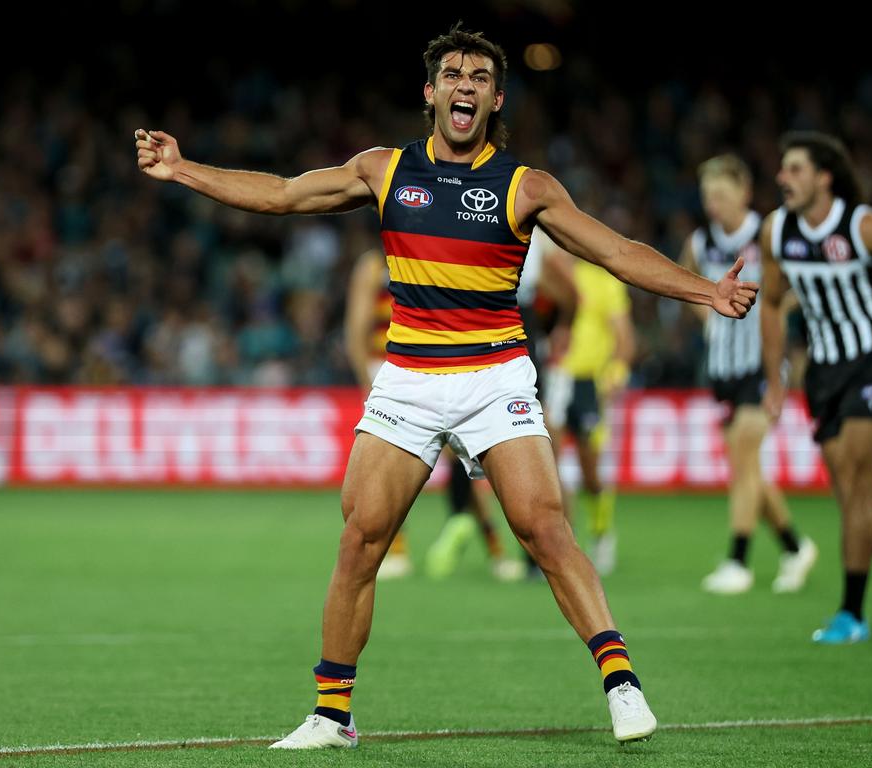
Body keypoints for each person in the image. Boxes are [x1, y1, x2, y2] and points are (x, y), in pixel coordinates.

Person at [135, 25, 757, 747]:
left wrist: (705, 292)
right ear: (430, 92)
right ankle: (332, 715)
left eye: (481, 77)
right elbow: (280, 194)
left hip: (494, 377)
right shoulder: (384, 170)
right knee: (360, 540)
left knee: (544, 528)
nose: (466, 85)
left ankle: (621, 684)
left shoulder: (527, 187)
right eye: (453, 74)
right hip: (408, 380)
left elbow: (615, 252)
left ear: (496, 98)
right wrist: (184, 170)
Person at [761, 131, 872, 644]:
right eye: (784, 169)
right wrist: (775, 378)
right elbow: (772, 303)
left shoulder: (862, 225)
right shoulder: (777, 231)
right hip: (823, 372)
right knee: (855, 498)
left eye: (797, 169)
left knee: (857, 488)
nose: (784, 178)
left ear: (825, 177)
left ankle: (852, 613)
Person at [344, 246, 522, 581]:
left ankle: (487, 548)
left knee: (452, 462)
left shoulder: (415, 256)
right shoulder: (374, 265)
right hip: (393, 371)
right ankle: (406, 549)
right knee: (401, 464)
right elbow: (357, 329)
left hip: (430, 367)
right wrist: (366, 379)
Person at [681, 155, 817, 595]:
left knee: (743, 461)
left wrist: (772, 311)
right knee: (748, 469)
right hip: (724, 369)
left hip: (763, 364)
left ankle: (738, 561)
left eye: (720, 194)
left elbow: (806, 282)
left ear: (743, 191)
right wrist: (708, 320)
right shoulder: (701, 242)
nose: (713, 204)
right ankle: (795, 546)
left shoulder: (769, 234)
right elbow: (685, 284)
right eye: (707, 196)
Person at [538, 227, 635, 576]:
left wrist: (616, 374)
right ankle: (564, 541)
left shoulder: (603, 281)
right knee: (549, 463)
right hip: (555, 379)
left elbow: (625, 339)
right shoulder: (550, 273)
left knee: (591, 469)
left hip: (589, 384)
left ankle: (602, 532)